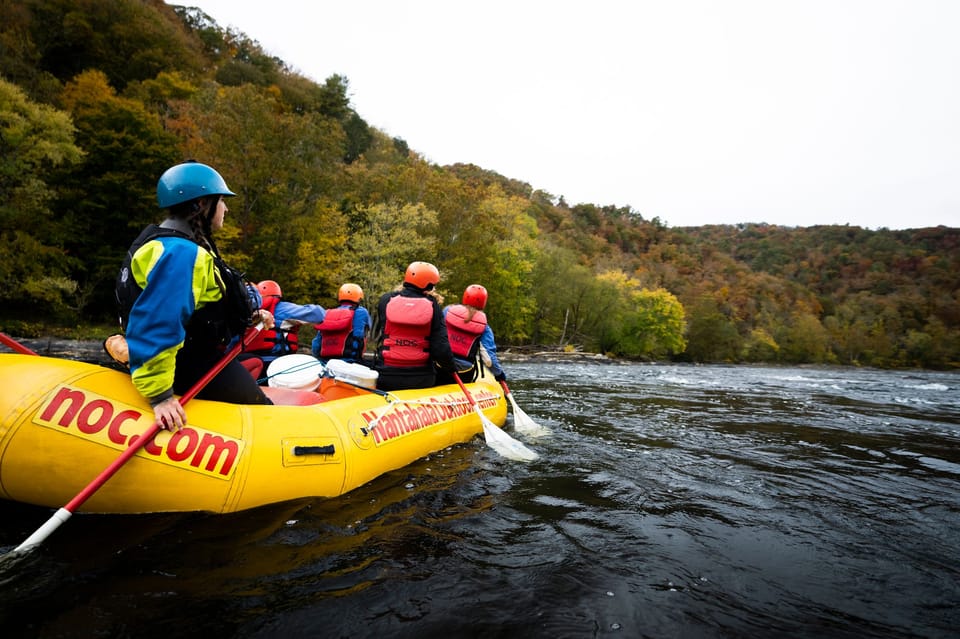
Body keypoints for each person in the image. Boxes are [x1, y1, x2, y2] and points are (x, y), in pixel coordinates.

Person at [115, 161, 274, 430]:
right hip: (187, 366)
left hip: (188, 359)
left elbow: (201, 306)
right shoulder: (181, 253)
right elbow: (160, 323)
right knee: (266, 413)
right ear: (201, 204)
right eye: (221, 201)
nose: (226, 209)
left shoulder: (163, 242)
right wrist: (161, 397)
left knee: (248, 366)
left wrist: (251, 317)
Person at [372, 261, 456, 391]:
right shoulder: (433, 305)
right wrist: (451, 368)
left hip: (386, 376)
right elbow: (441, 347)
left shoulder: (385, 300)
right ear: (428, 285)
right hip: (421, 378)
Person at [437, 284, 508, 385]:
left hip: (440, 367)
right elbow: (488, 360)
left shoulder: (447, 311)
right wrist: (499, 374)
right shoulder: (485, 327)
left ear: (465, 297)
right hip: (464, 373)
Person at [245, 279, 326, 364]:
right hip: (277, 361)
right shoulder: (283, 308)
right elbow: (318, 315)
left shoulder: (248, 311)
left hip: (250, 362)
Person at [312, 283, 371, 363]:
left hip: (326, 362)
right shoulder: (361, 312)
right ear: (359, 298)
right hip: (350, 362)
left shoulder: (328, 313)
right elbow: (362, 335)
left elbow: (316, 344)